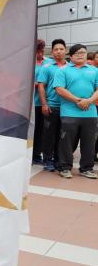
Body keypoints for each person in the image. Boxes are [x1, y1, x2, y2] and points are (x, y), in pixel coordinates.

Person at [53, 44, 98, 179]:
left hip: (90, 113)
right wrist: (78, 100)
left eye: (83, 52)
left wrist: (89, 101)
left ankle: (86, 168)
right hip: (69, 112)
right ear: (71, 56)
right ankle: (64, 168)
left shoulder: (94, 70)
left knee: (89, 142)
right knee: (66, 142)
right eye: (77, 53)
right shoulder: (62, 70)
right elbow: (59, 89)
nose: (80, 55)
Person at [37, 39, 67, 172]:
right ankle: (48, 160)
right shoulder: (47, 67)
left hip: (67, 108)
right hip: (52, 106)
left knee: (63, 135)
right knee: (49, 135)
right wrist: (44, 104)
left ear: (65, 50)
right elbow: (41, 86)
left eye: (61, 49)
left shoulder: (70, 67)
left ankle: (59, 158)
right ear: (52, 51)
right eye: (56, 49)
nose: (59, 51)